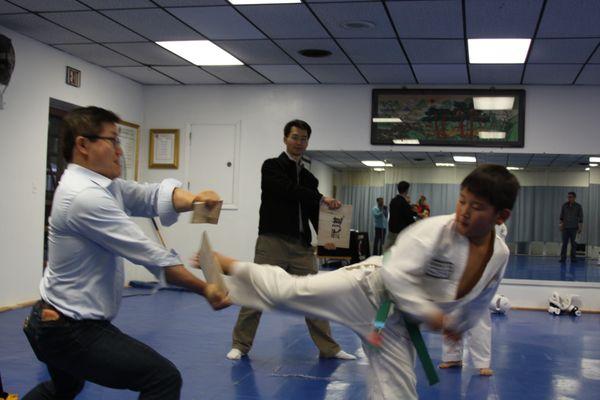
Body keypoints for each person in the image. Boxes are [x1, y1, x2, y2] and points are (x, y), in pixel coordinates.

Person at [202, 164, 520, 399]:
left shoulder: (498, 254)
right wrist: (430, 313)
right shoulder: (435, 232)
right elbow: (395, 277)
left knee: (397, 394)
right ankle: (229, 266)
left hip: (395, 325)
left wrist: (459, 324)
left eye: (476, 207)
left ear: (500, 216)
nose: (463, 212)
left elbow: (481, 299)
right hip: (367, 288)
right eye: (461, 200)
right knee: (290, 292)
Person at [22, 106, 229, 400]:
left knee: (65, 387)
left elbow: (149, 195)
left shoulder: (103, 186)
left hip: (48, 319)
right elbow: (152, 256)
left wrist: (196, 200)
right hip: (68, 330)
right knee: (162, 378)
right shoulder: (85, 197)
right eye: (113, 141)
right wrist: (206, 289)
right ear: (83, 145)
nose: (120, 151)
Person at [226, 119, 355, 361]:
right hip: (271, 242)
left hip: (300, 246)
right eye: (295, 137)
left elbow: (311, 211)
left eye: (304, 138)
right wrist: (320, 198)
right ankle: (240, 345)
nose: (299, 142)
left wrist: (325, 237)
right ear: (285, 139)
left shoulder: (310, 179)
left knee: (314, 296)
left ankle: (329, 348)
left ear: (308, 142)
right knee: (256, 291)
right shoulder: (271, 167)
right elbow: (287, 190)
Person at [438, 222, 509, 377]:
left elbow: (495, 270)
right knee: (452, 315)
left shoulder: (499, 244)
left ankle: (482, 363)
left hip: (483, 280)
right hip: (457, 276)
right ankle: (452, 358)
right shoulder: (458, 230)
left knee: (479, 319)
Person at [383, 181, 417, 251]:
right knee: (400, 252)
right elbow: (409, 219)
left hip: (391, 230)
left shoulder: (393, 201)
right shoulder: (404, 203)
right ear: (407, 190)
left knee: (388, 251)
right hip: (401, 232)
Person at [559, 192, 583, 262]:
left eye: (570, 197)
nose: (569, 198)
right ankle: (563, 258)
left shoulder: (578, 206)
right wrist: (560, 225)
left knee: (574, 244)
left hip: (574, 228)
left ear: (574, 198)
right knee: (564, 244)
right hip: (565, 228)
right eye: (568, 197)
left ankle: (573, 258)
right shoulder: (564, 205)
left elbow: (581, 218)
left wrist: (580, 227)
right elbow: (561, 217)